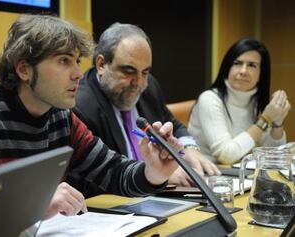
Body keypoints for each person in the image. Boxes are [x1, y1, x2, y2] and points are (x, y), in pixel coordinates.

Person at [0, 14, 182, 237]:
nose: (76, 74)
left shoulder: (61, 117)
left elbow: (112, 171)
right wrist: (28, 207)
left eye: (76, 61)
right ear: (24, 69)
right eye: (63, 61)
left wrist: (152, 172)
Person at [74, 22, 220, 187]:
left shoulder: (149, 86)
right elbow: (96, 178)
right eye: (128, 71)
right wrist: (155, 176)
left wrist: (189, 147)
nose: (139, 83)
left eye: (145, 72)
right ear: (101, 65)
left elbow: (171, 123)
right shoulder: (80, 106)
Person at [188, 38, 290, 165]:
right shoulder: (209, 99)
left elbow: (273, 156)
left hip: (242, 175)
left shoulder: (258, 101)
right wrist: (265, 119)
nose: (243, 71)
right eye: (237, 63)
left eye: (252, 65)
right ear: (227, 67)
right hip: (210, 175)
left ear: (261, 74)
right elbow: (226, 155)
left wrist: (277, 121)